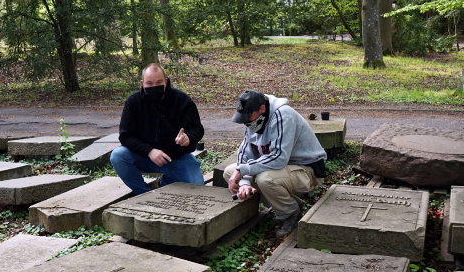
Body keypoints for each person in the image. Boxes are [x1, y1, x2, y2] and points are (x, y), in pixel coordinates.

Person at [225, 90, 328, 238]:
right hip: (279, 169)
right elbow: (245, 153)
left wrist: (242, 170)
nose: (245, 121)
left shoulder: (283, 116)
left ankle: (291, 214)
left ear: (262, 109)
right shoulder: (254, 121)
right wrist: (245, 182)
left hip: (307, 170)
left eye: (248, 116)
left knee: (265, 179)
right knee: (230, 172)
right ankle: (289, 203)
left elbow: (279, 158)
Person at [110, 63, 205, 194]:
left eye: (159, 82)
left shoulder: (182, 100)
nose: (154, 86)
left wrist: (188, 138)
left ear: (165, 82)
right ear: (143, 83)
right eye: (149, 83)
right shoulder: (133, 102)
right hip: (144, 157)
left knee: (198, 188)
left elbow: (197, 128)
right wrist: (149, 151)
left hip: (176, 158)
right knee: (118, 156)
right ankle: (144, 194)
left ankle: (165, 182)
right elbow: (125, 136)